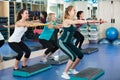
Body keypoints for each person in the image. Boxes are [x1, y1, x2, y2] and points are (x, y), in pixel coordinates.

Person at [58, 5, 103, 79]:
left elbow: (81, 21)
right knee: (72, 56)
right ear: (69, 12)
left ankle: (71, 69)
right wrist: (85, 21)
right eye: (74, 10)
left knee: (80, 55)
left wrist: (98, 21)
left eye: (75, 10)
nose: (75, 12)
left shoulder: (72, 20)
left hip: (69, 43)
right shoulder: (67, 20)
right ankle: (64, 73)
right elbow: (78, 21)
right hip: (62, 42)